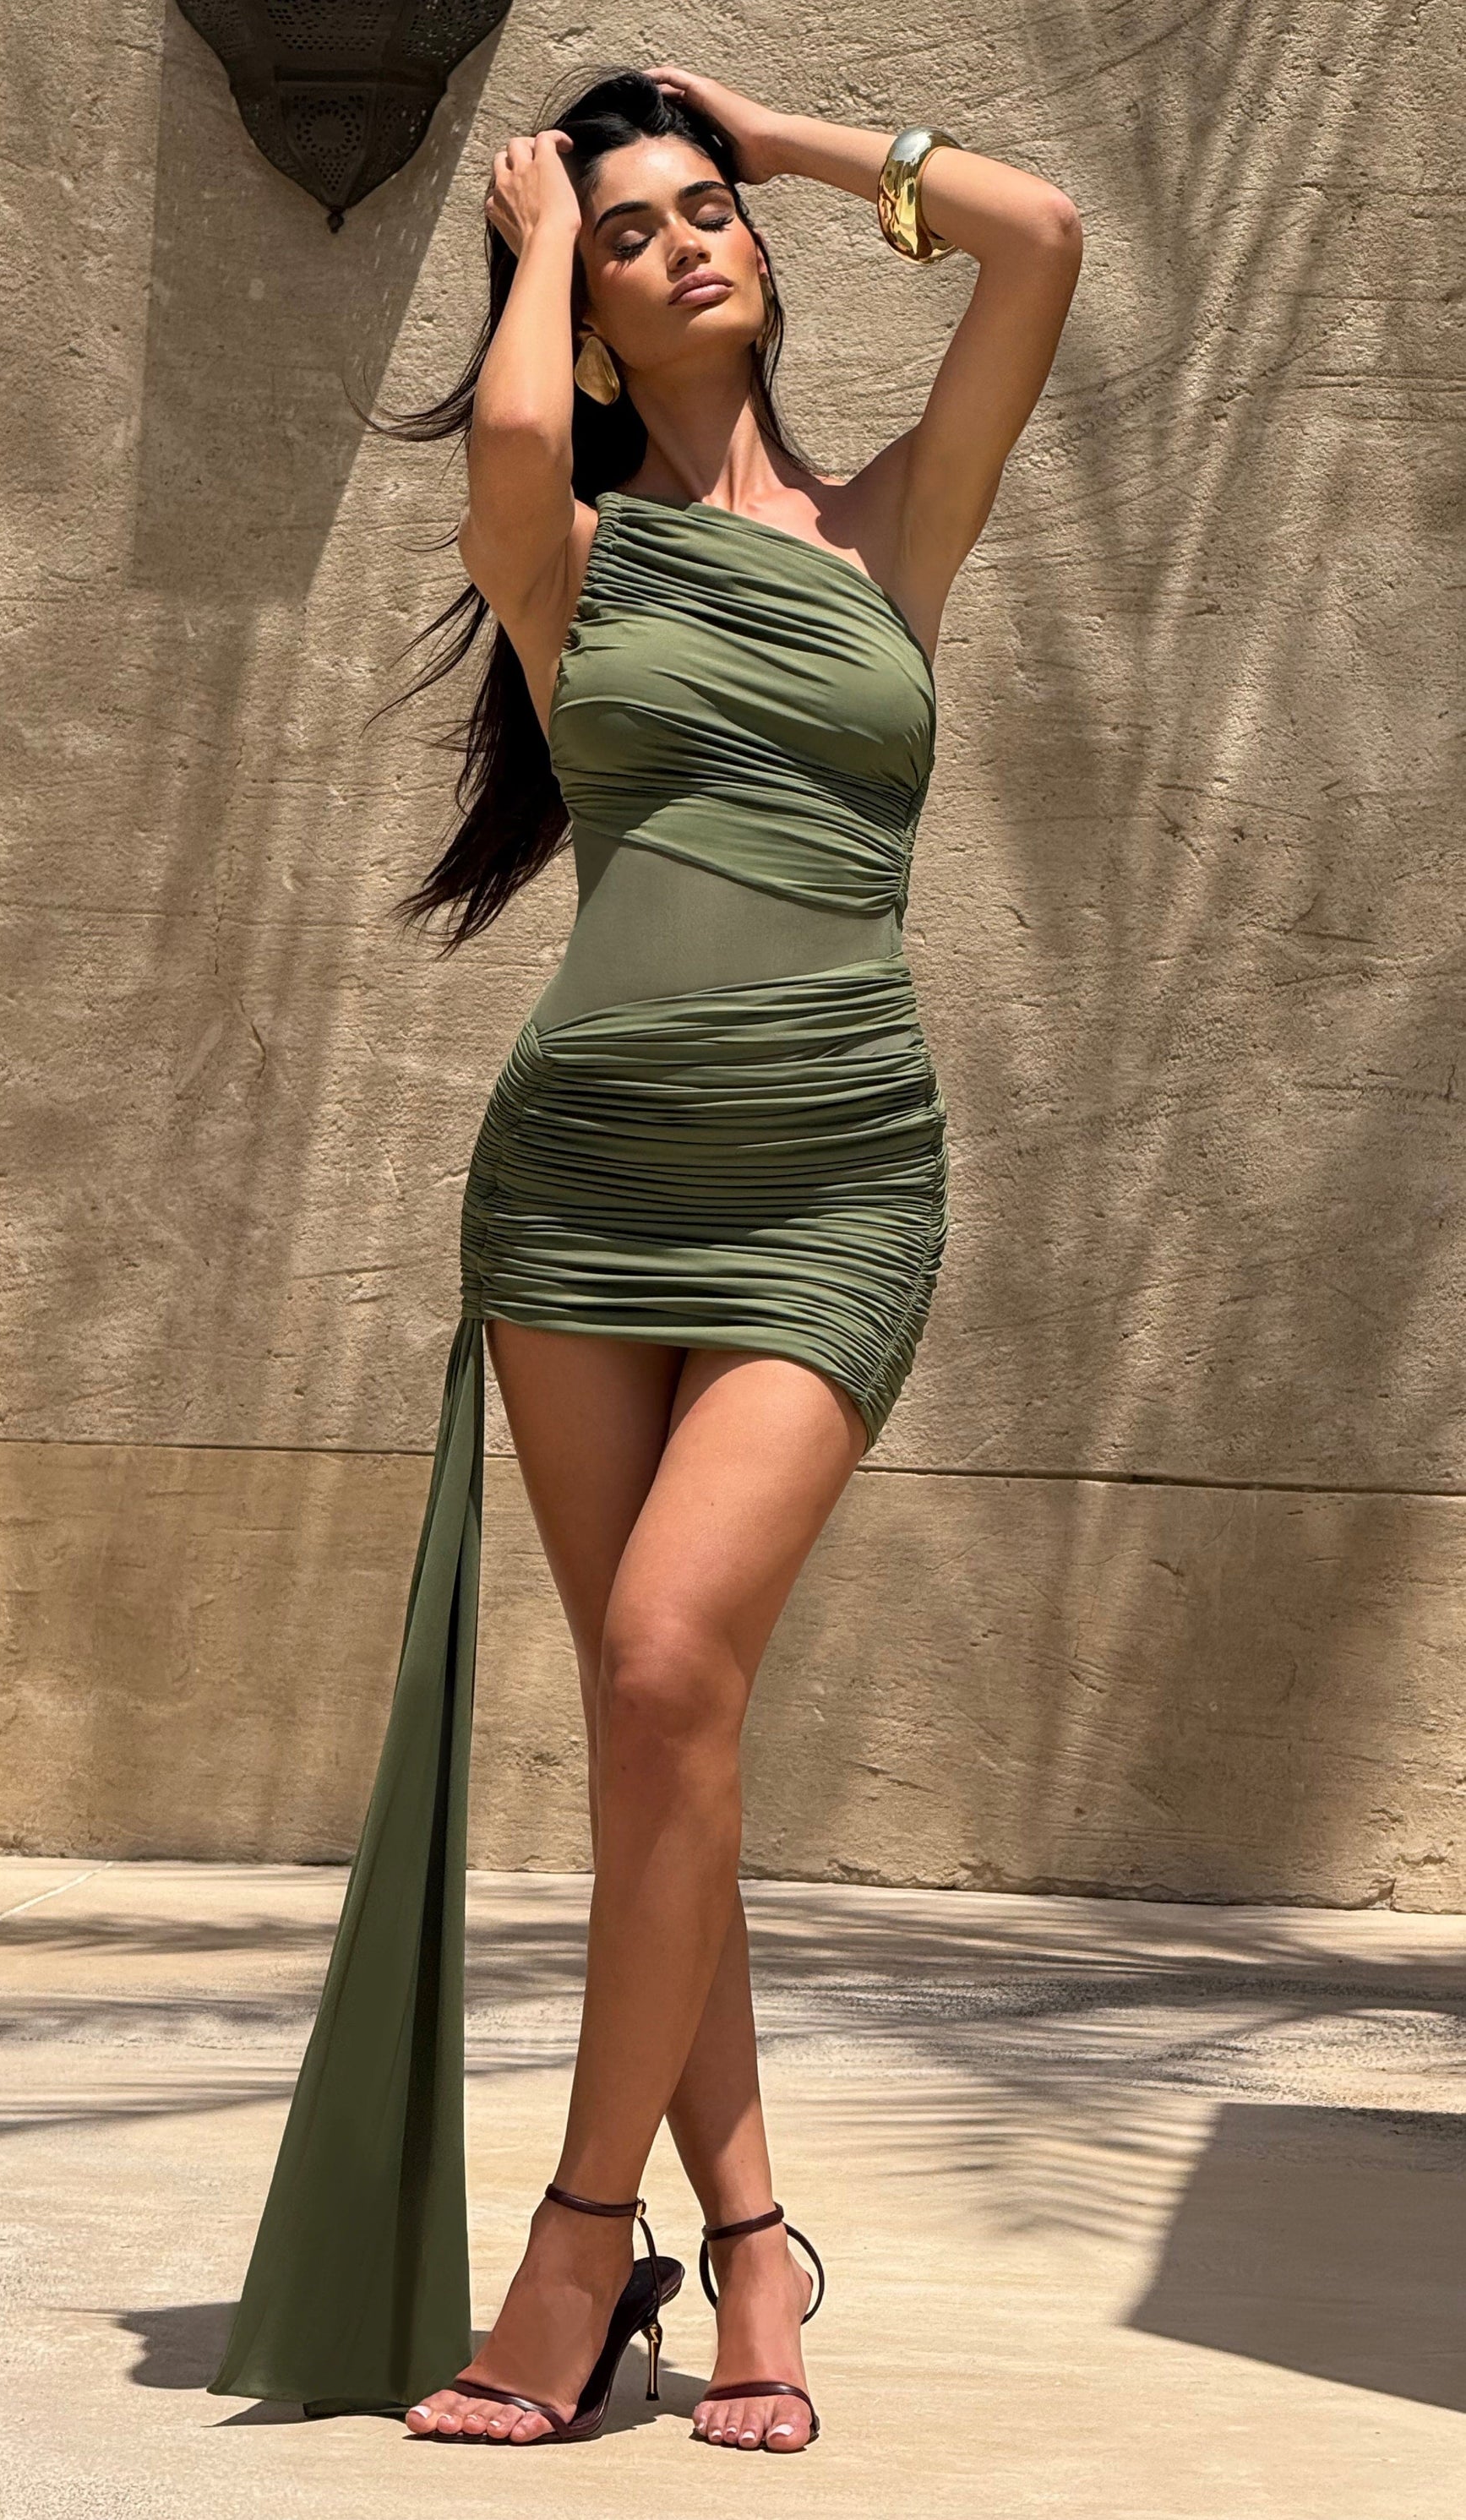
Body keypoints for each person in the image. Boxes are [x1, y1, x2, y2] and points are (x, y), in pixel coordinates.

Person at [207, 63, 1081, 2456]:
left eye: (708, 218)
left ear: (764, 252)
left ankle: (583, 2249)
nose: (688, 241)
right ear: (581, 317)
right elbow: (508, 452)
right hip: (583, 1188)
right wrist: (524, 248)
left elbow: (1035, 238)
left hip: (837, 1177)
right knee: (653, 1730)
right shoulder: (569, 560)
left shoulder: (889, 532)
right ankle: (757, 2243)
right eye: (632, 233)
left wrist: (772, 137)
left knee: (673, 1660)